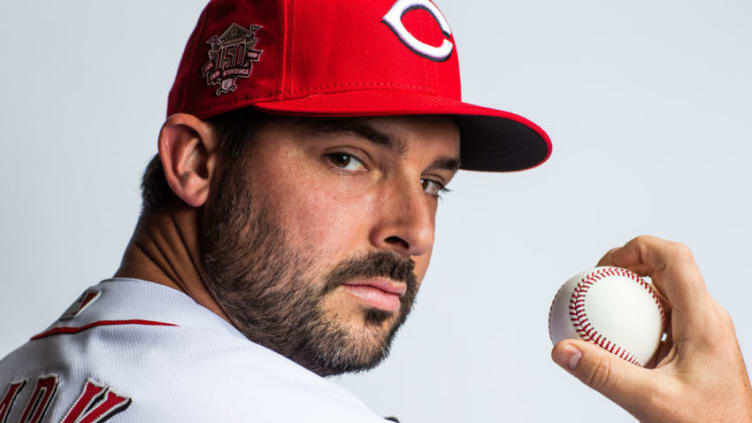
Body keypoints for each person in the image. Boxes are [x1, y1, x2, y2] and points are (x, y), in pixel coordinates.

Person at [0, 0, 750, 422]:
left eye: (434, 182)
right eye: (349, 158)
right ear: (196, 161)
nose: (414, 230)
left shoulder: (21, 379)